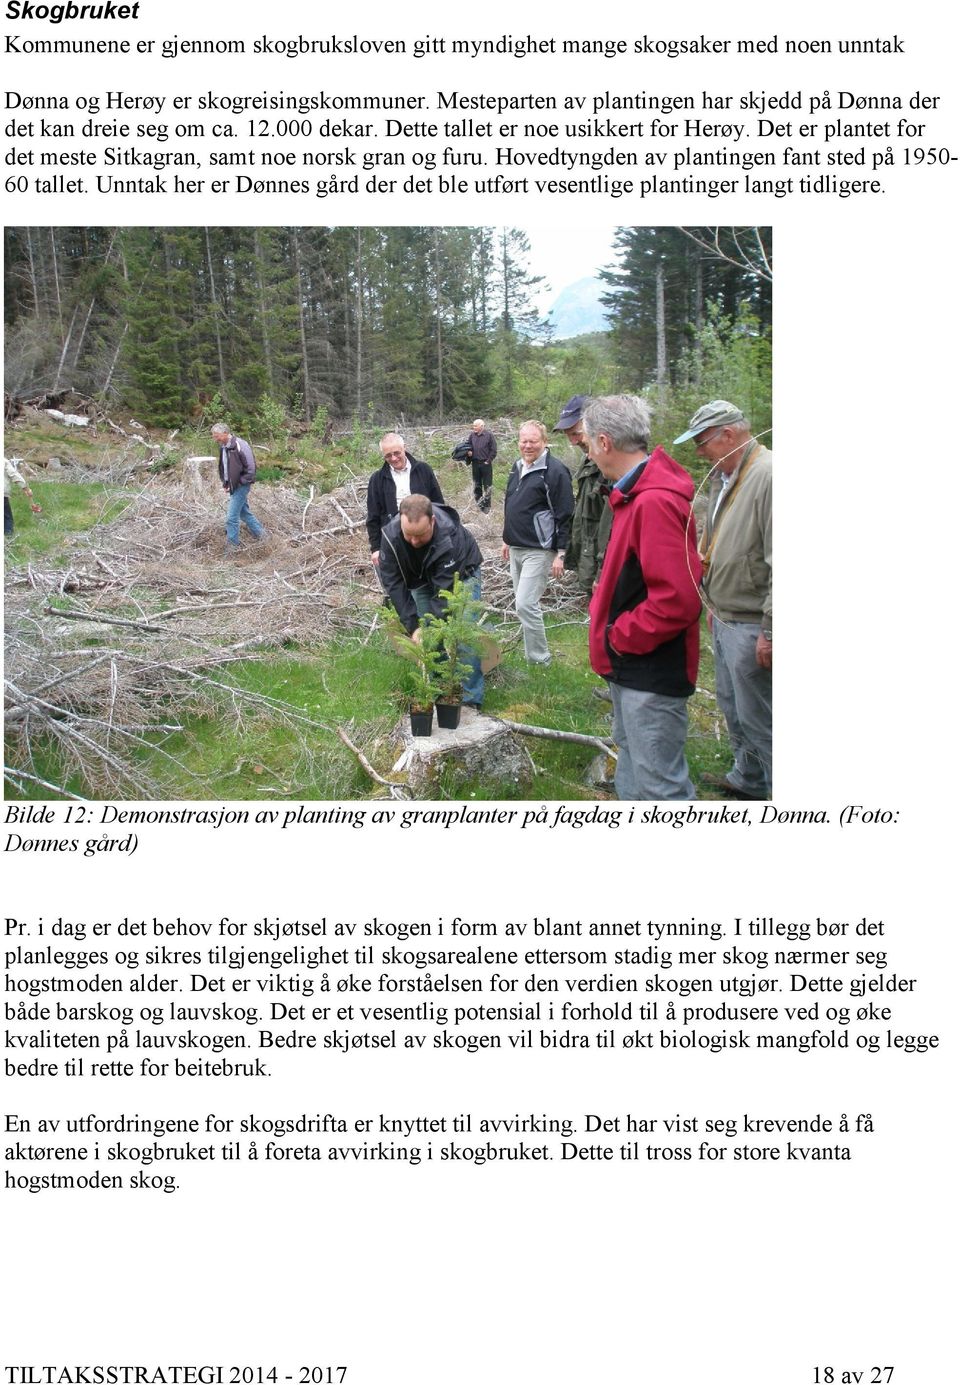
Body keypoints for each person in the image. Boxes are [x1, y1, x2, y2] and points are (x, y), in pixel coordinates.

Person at [583, 395, 702, 801]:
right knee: (634, 766)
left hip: (650, 670)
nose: (585, 448)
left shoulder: (653, 501)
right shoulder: (632, 496)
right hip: (630, 668)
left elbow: (677, 601)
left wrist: (618, 636)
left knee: (661, 788)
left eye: (585, 440)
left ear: (604, 442)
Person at [674, 400, 772, 800]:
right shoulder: (726, 474)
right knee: (734, 708)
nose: (699, 452)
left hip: (753, 622)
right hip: (727, 614)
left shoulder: (768, 476)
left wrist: (772, 629)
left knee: (762, 718)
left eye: (703, 443)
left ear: (728, 435)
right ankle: (748, 778)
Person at [379, 495, 485, 708]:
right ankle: (441, 692)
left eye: (420, 535)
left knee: (463, 635)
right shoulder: (390, 536)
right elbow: (394, 585)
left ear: (433, 521)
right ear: (401, 520)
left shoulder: (449, 535)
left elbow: (444, 593)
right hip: (421, 579)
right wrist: (414, 626)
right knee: (428, 637)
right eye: (409, 535)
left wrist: (429, 627)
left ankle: (470, 701)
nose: (414, 542)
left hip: (461, 577)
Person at [501, 420, 574, 666]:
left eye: (533, 441)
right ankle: (530, 656)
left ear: (544, 442)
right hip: (516, 547)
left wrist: (561, 552)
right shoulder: (517, 466)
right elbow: (510, 504)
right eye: (524, 441)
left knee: (525, 604)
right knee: (523, 605)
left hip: (540, 550)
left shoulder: (555, 471)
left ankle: (540, 661)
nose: (528, 446)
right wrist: (506, 539)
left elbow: (565, 514)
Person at [554, 395, 611, 595]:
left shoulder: (612, 467)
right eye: (568, 435)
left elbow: (612, 527)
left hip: (605, 570)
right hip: (591, 562)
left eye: (576, 433)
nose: (573, 441)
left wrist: (602, 573)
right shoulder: (589, 461)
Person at [366, 432, 444, 569]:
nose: (394, 458)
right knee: (401, 581)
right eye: (388, 456)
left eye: (397, 453)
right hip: (394, 540)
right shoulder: (377, 479)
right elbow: (373, 517)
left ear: (404, 448)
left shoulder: (423, 470)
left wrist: (442, 534)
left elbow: (439, 504)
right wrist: (376, 548)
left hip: (425, 534)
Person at [211, 422, 264, 555]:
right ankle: (264, 537)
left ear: (225, 433)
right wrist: (226, 483)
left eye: (217, 436)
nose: (215, 439)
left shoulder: (240, 445)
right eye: (214, 436)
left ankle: (232, 549)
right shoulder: (223, 447)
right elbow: (225, 467)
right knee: (244, 513)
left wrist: (240, 482)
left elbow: (251, 469)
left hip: (241, 485)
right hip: (233, 486)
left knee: (231, 518)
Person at [4, 457, 42, 537]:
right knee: (6, 517)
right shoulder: (4, 461)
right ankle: (8, 536)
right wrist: (26, 488)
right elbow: (15, 476)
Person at [465, 418, 497, 512]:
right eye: (473, 425)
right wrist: (469, 452)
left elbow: (493, 450)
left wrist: (488, 461)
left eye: (475, 426)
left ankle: (487, 508)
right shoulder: (472, 435)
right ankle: (479, 506)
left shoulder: (489, 436)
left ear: (482, 426)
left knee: (487, 485)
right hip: (475, 463)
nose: (473, 427)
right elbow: (468, 446)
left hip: (485, 464)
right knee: (476, 485)